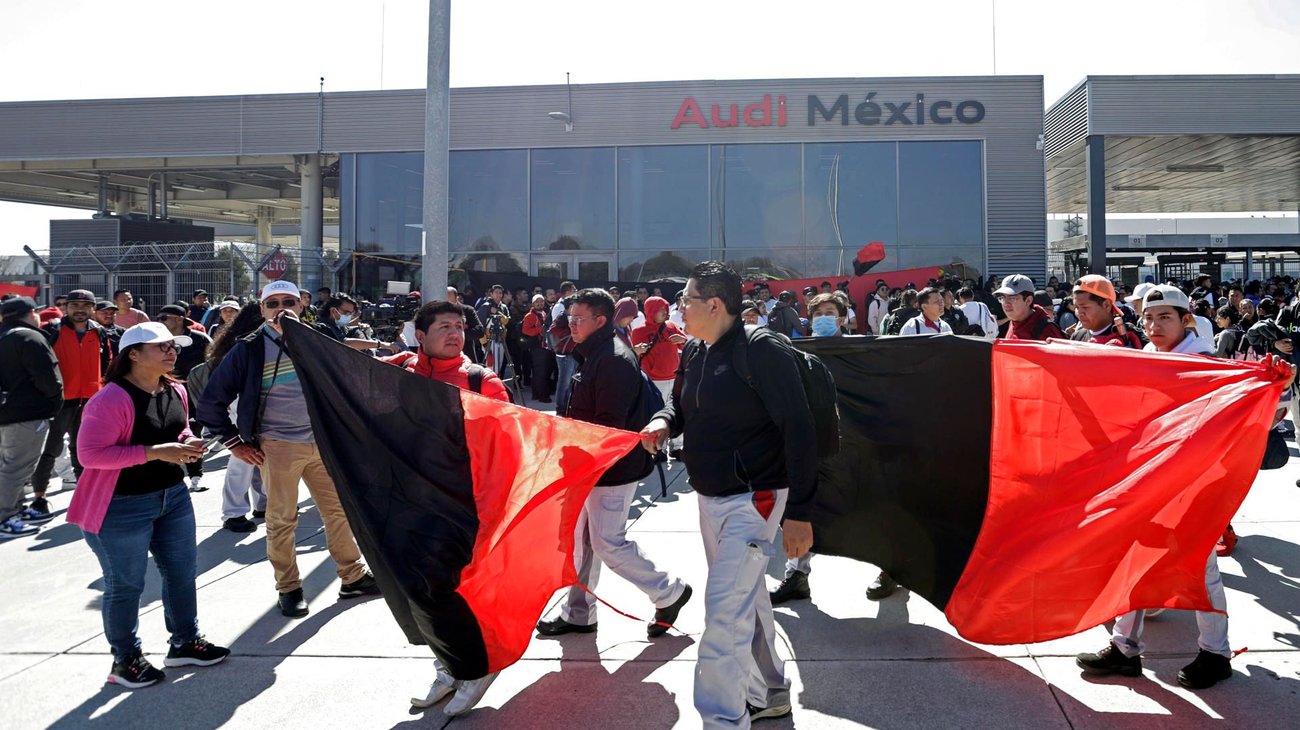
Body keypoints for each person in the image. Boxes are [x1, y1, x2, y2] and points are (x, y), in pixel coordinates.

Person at [640, 262, 815, 726]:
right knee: (745, 599)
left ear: (714, 305)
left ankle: (722, 718)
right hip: (711, 496)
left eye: (687, 300)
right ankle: (769, 691)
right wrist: (664, 422)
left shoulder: (762, 350)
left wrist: (799, 512)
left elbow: (800, 429)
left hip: (753, 498)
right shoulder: (698, 349)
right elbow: (680, 401)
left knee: (721, 615)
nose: (680, 308)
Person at [1075, 284, 1234, 691]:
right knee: (1134, 560)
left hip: (1194, 485)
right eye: (1148, 317)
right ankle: (1125, 649)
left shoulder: (1206, 363)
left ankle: (1216, 654)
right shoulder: (1146, 357)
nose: (1153, 325)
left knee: (1201, 569)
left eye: (1164, 316)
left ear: (1186, 320)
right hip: (1151, 482)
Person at [198, 280, 380, 618]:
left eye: (289, 301)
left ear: (301, 307)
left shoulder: (318, 341)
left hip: (321, 443)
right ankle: (289, 588)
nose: (281, 308)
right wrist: (234, 443)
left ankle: (352, 577)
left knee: (338, 512)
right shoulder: (247, 349)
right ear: (262, 310)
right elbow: (211, 402)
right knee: (282, 520)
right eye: (272, 303)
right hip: (277, 445)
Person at [68, 322, 230, 688]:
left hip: (172, 497)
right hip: (119, 506)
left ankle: (185, 642)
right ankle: (125, 660)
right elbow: (90, 455)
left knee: (182, 573)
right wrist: (156, 452)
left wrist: (188, 442)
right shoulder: (109, 398)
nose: (172, 351)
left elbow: (180, 428)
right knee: (126, 585)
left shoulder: (175, 388)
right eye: (161, 347)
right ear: (133, 355)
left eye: (173, 346)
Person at [536, 289, 691, 638]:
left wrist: (575, 456)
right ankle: (579, 613)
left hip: (610, 467)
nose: (570, 325)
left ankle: (669, 591)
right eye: (569, 318)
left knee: (607, 542)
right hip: (591, 464)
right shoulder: (596, 353)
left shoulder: (613, 359)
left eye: (578, 319)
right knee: (584, 541)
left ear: (600, 320)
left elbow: (608, 426)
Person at [384, 300, 510, 716]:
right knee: (420, 588)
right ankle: (450, 664)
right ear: (420, 336)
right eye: (444, 326)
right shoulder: (402, 375)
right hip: (414, 502)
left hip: (467, 504)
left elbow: (507, 442)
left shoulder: (482, 380)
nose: (455, 333)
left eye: (459, 326)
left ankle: (476, 667)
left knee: (457, 589)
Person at [29, 289, 111, 518]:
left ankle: (85, 496)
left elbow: (107, 365)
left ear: (93, 309)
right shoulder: (52, 330)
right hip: (60, 401)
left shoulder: (100, 332)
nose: (80, 309)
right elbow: (39, 365)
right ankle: (39, 497)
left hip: (91, 401)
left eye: (86, 305)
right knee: (51, 449)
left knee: (83, 450)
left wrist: (102, 393)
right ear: (66, 307)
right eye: (75, 305)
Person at [198, 303, 268, 534]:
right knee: (244, 461)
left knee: (259, 460)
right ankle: (234, 512)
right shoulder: (245, 344)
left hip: (254, 406)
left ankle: (262, 504)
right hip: (242, 406)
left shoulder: (244, 341)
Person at [0, 297, 63, 538]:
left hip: (6, 411)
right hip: (25, 413)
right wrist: (53, 403)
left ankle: (15, 509)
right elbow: (48, 379)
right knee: (16, 468)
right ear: (30, 313)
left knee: (7, 466)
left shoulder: (4, 336)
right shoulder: (30, 337)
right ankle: (6, 517)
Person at [632, 295, 688, 455]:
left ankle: (677, 446)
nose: (665, 313)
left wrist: (682, 340)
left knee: (678, 410)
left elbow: (684, 345)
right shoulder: (639, 331)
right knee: (657, 412)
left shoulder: (671, 325)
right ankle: (659, 447)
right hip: (654, 378)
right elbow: (636, 354)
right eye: (660, 310)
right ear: (651, 311)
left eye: (665, 309)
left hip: (674, 375)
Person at [1069, 276, 1142, 348]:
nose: (1080, 313)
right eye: (1076, 307)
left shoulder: (1132, 336)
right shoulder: (1077, 337)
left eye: (1085, 307)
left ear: (1107, 305)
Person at [996, 275, 1064, 341]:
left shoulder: (1047, 330)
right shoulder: (1014, 321)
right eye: (1002, 298)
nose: (1006, 303)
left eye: (1012, 299)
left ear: (1028, 301)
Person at [521, 294, 554, 403]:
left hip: (544, 346)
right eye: (537, 302)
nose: (540, 303)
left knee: (543, 371)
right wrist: (540, 329)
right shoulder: (530, 316)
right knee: (540, 372)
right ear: (533, 304)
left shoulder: (543, 313)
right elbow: (525, 331)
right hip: (537, 347)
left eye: (541, 301)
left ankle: (538, 393)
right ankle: (541, 395)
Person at [476, 285, 511, 376]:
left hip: (501, 338)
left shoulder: (503, 307)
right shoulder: (485, 307)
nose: (498, 295)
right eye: (496, 292)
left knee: (499, 364)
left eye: (500, 293)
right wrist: (484, 343)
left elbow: (506, 321)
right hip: (488, 340)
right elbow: (479, 325)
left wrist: (498, 312)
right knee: (490, 366)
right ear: (491, 294)